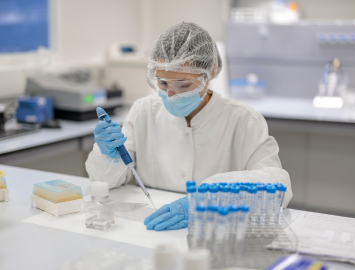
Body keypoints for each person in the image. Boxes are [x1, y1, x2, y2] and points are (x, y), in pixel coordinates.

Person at [86, 22, 293, 231]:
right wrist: (109, 157)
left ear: (211, 72)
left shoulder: (244, 120)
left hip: (214, 231)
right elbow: (108, 182)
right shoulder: (143, 111)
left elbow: (276, 187)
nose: (171, 95)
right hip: (152, 228)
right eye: (163, 84)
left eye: (184, 85)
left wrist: (210, 199)